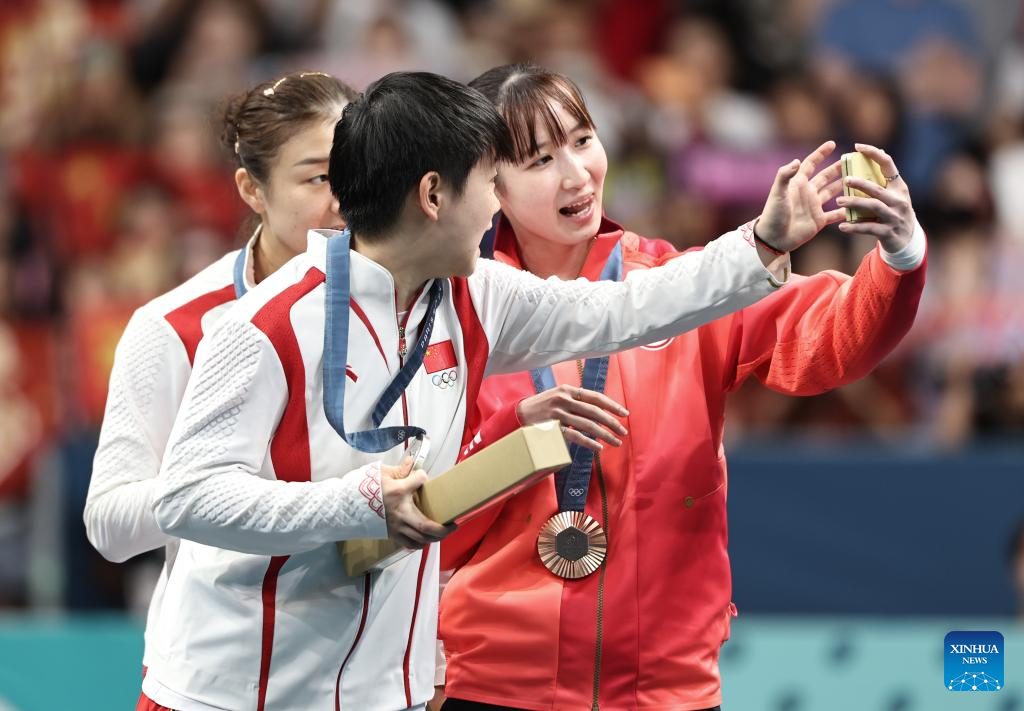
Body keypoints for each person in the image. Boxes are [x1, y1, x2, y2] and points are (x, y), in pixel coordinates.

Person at [142, 70, 841, 711]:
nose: (497, 204)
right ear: (433, 195)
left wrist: (762, 241)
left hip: (382, 694)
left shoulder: (474, 293)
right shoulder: (259, 326)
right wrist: (350, 503)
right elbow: (185, 496)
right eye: (488, 181)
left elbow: (624, 309)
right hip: (235, 692)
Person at [436, 64, 927, 711]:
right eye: (539, 159)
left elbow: (825, 339)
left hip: (666, 686)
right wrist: (515, 435)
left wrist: (900, 256)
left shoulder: (682, 286)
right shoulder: (454, 312)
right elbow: (430, 519)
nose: (577, 173)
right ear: (487, 182)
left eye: (583, 140)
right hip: (497, 683)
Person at [81, 70, 357, 706]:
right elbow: (109, 524)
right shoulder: (175, 327)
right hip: (219, 684)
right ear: (251, 189)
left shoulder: (407, 306)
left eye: (357, 171)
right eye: (317, 177)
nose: (344, 199)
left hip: (364, 680)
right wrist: (223, 487)